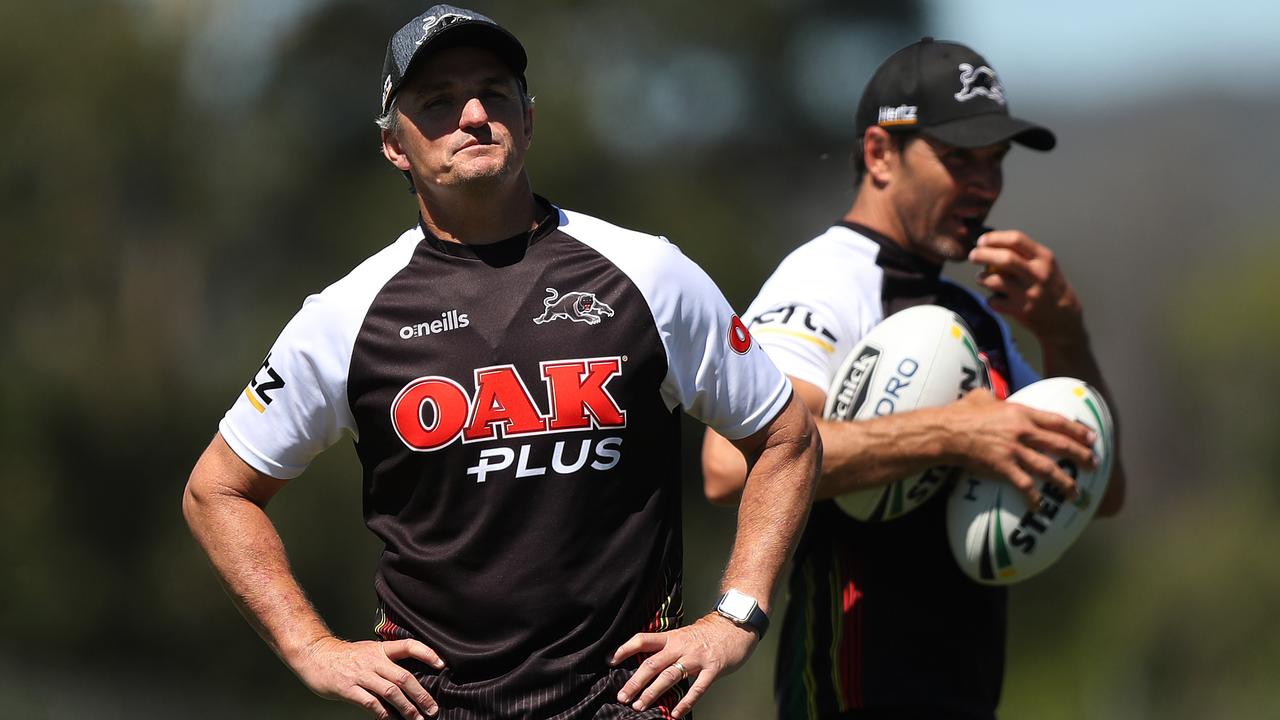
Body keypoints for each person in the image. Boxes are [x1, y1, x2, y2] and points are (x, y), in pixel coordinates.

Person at [182, 6, 820, 720]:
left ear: (529, 117)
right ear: (396, 145)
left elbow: (785, 439)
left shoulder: (650, 273)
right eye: (439, 101)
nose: (475, 114)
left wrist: (735, 617)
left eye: (495, 91)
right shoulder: (344, 316)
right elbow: (219, 492)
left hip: (627, 707)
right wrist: (310, 647)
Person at [701, 38, 1126, 719]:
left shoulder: (972, 312)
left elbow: (1098, 490)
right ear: (879, 153)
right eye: (960, 158)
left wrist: (1063, 332)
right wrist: (951, 435)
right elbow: (730, 464)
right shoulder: (825, 280)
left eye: (996, 162)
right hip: (846, 696)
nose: (985, 184)